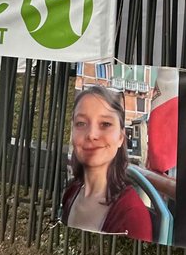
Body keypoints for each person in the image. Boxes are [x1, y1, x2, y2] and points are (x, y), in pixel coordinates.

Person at [61, 85, 153, 239]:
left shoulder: (132, 216)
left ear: (120, 138)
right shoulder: (71, 191)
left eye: (105, 124)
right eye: (81, 123)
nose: (91, 134)